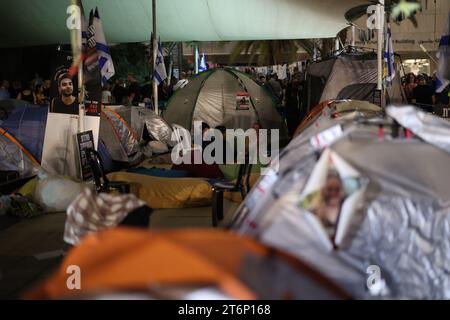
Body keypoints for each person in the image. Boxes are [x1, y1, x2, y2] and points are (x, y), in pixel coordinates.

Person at [310, 171, 344, 236]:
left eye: (337, 189)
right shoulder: (315, 208)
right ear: (323, 189)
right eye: (329, 189)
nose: (333, 193)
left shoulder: (345, 207)